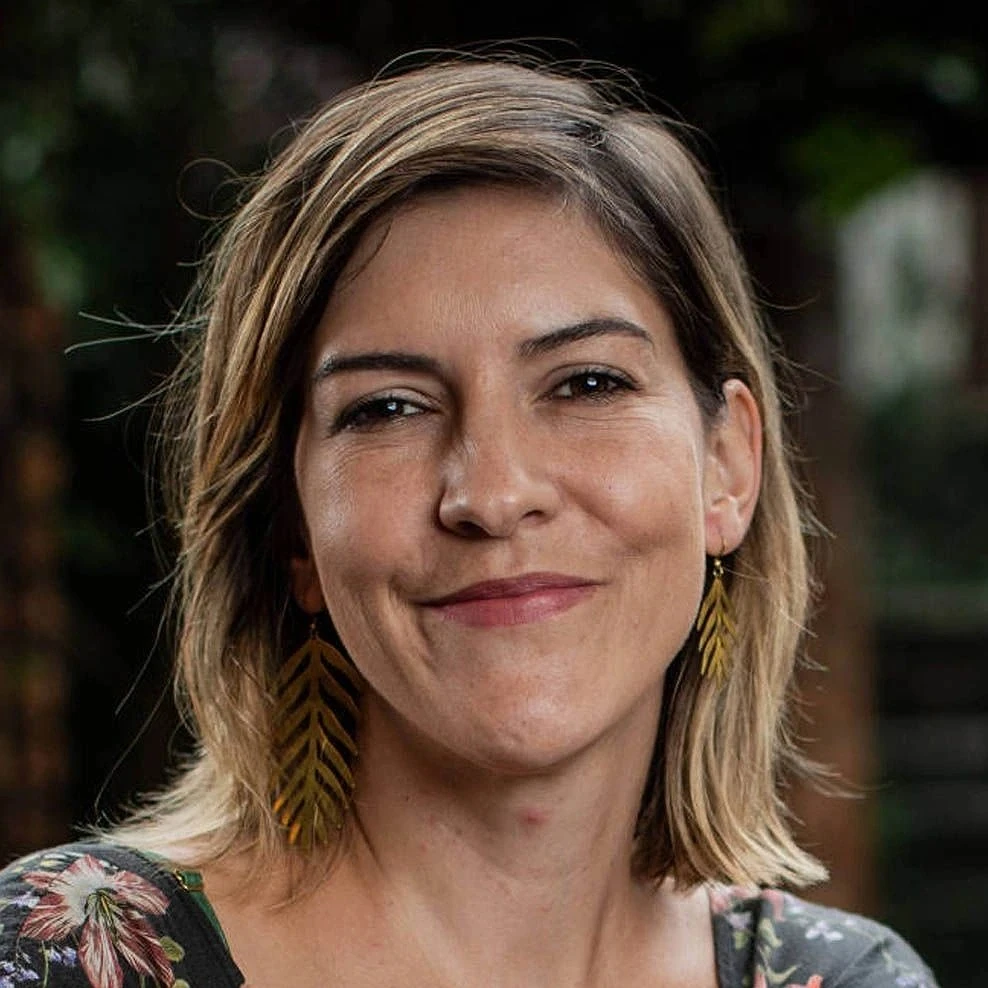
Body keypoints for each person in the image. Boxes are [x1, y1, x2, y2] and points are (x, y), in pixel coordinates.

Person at [0, 56, 937, 988]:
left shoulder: (852, 980)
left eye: (586, 384)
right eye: (388, 408)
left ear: (727, 468)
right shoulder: (60, 962)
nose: (491, 495)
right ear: (292, 530)